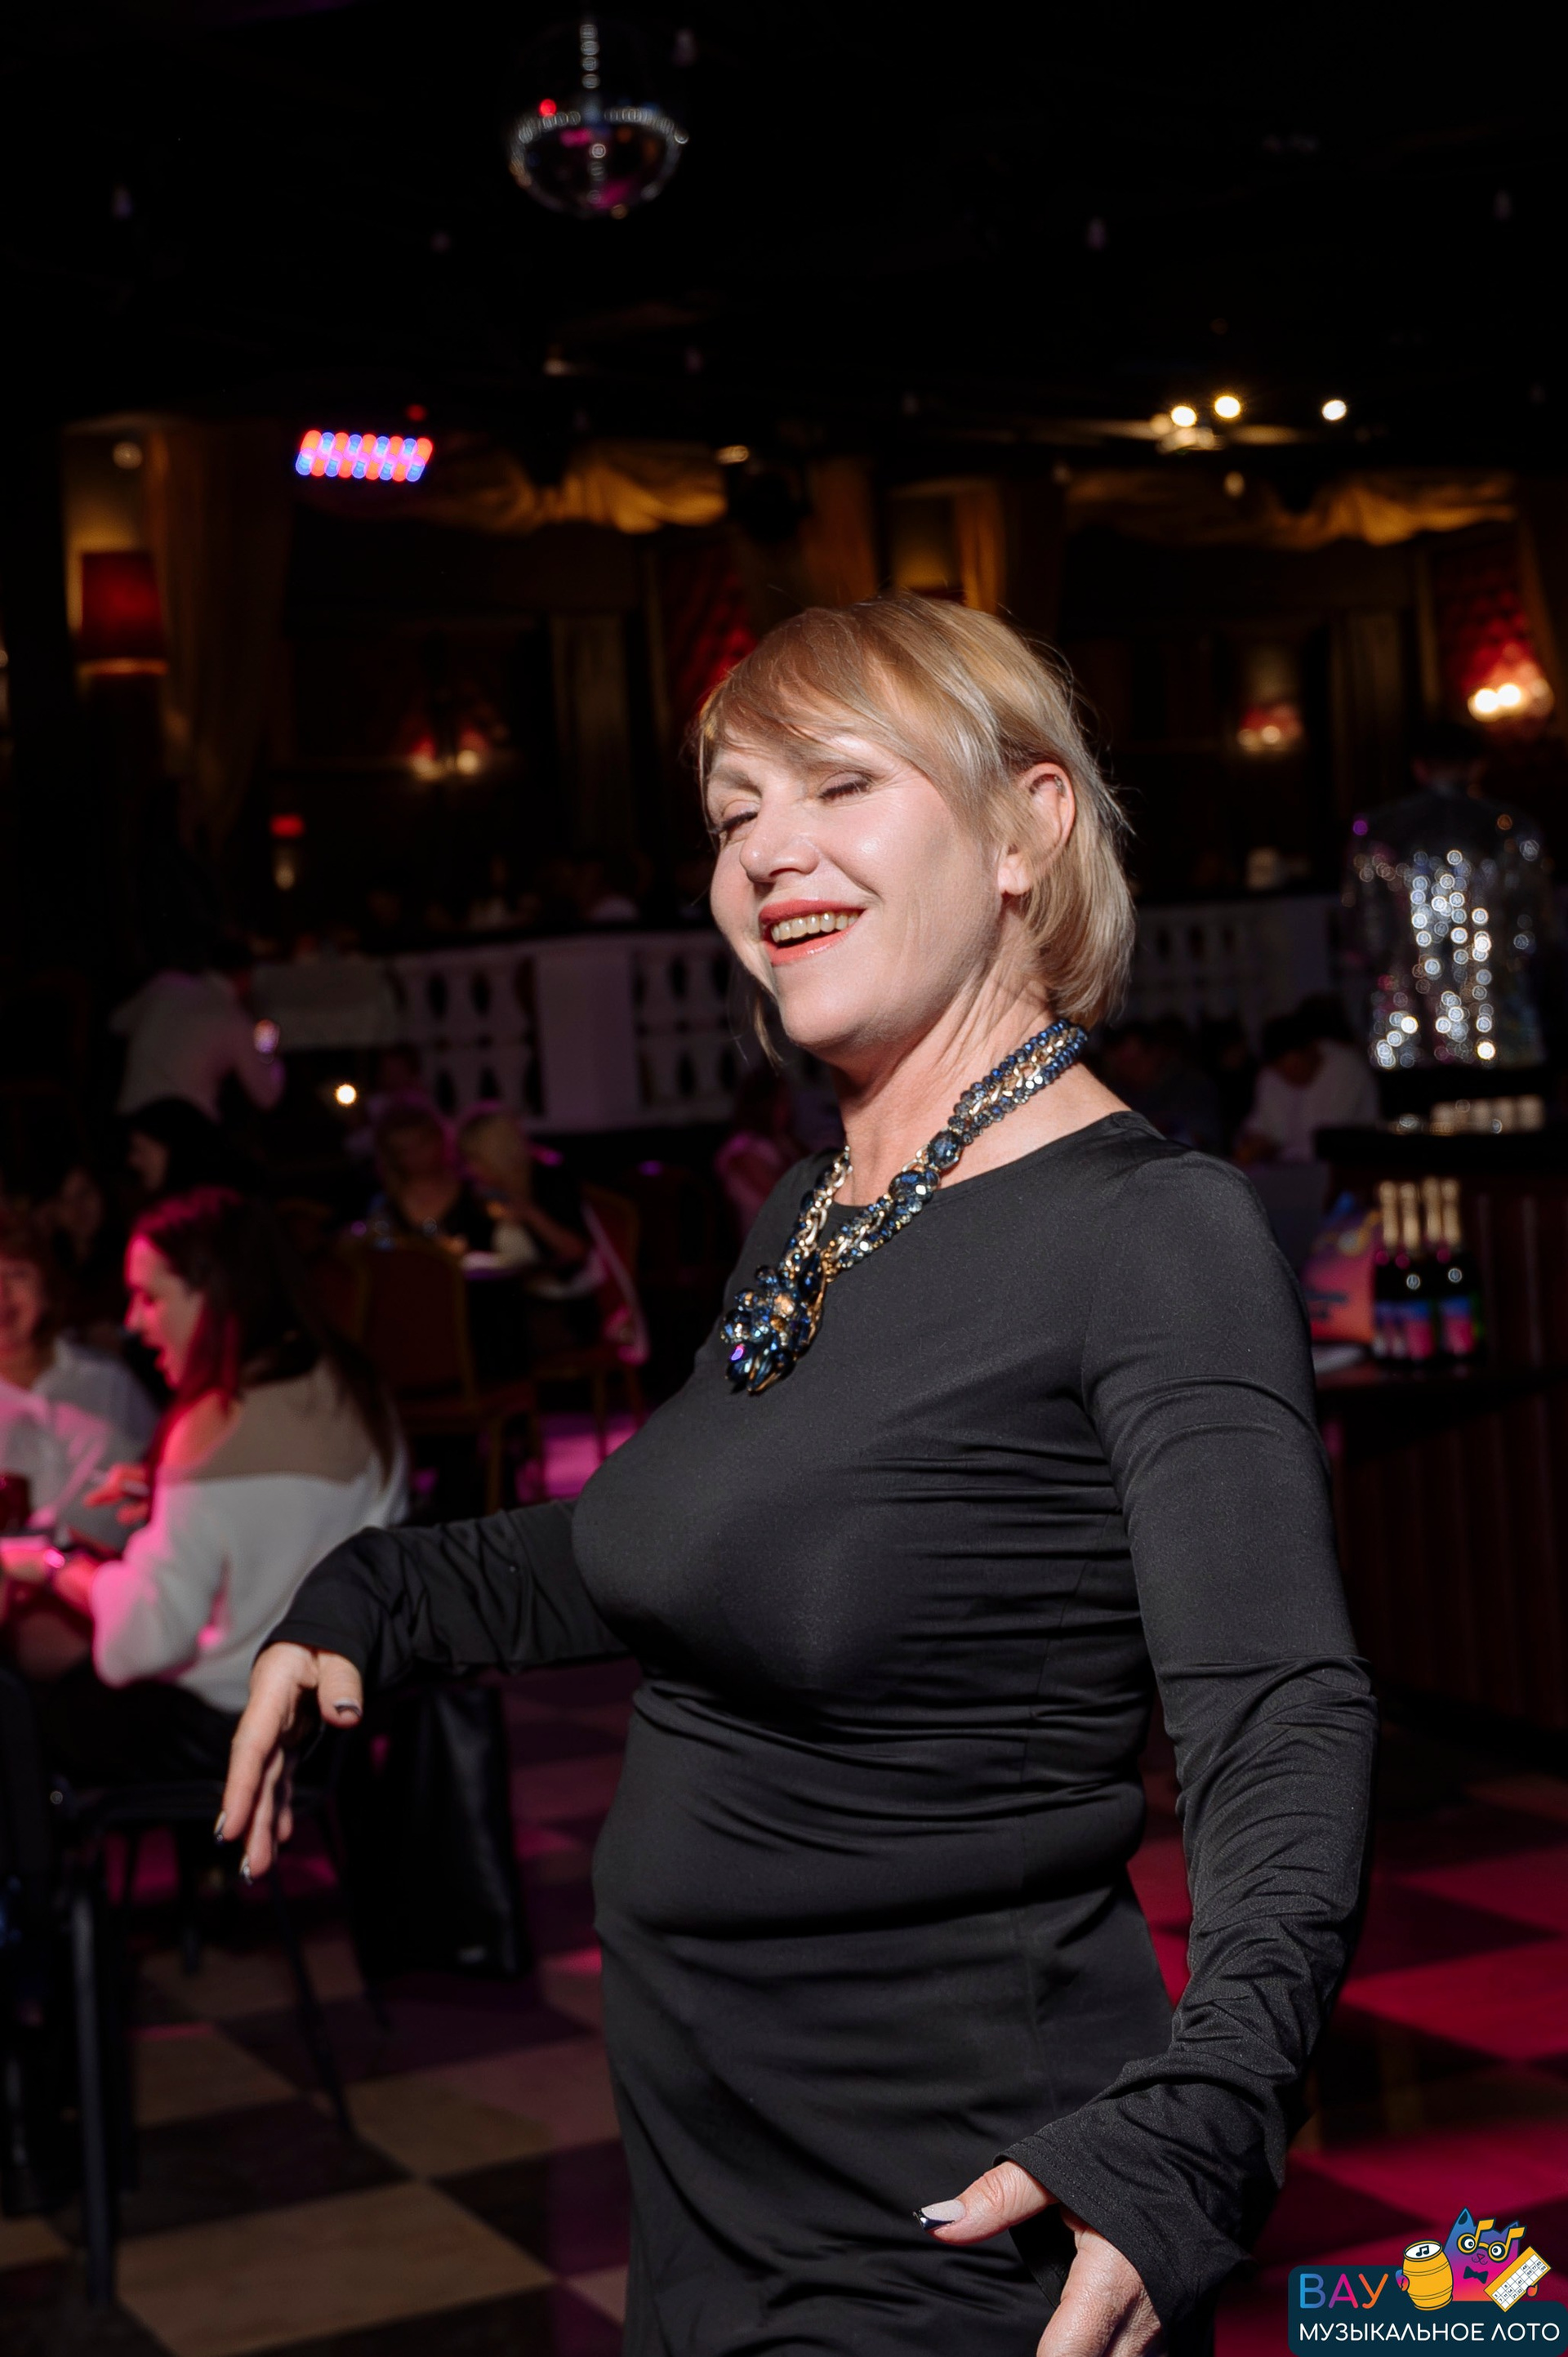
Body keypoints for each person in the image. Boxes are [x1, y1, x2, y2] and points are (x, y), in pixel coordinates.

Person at [224, 598, 1375, 2357]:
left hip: (950, 2217)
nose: (768, 852)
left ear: (1026, 828)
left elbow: (1282, 1712)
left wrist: (1202, 2124)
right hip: (711, 2196)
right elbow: (674, 1544)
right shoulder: (818, 1211)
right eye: (734, 812)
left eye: (839, 784)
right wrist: (379, 1593)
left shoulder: (1153, 1235)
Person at [4, 1188, 403, 1786]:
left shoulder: (215, 1420)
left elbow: (147, 1639)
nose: (134, 1321)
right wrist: (175, 1497)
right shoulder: (350, 1383)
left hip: (229, 1728)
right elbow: (298, 1516)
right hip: (334, 1716)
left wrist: (57, 1563)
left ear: (211, 1292)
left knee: (22, 1708)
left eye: (151, 1297)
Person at [1344, 717, 1555, 1072]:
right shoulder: (1513, 829)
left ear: (1419, 767)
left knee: (1415, 1101)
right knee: (1504, 1101)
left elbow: (1367, 934)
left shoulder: (1377, 832)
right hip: (1496, 1012)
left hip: (1408, 1012)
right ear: (1477, 766)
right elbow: (1531, 932)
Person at [0, 1219, 158, 1548]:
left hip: (118, 1573)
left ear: (46, 1289)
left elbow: (168, 1484)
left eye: (16, 1274)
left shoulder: (108, 1382)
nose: (2, 1293)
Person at [112, 938, 284, 1122]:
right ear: (245, 977)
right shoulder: (235, 1020)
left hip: (130, 1119)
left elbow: (117, 1023)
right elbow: (266, 1096)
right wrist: (268, 1051)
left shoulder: (165, 984)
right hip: (185, 1126)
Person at [1234, 1005, 1379, 1165]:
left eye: (1296, 1067)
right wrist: (1254, 1142)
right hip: (1289, 1170)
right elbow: (1263, 1126)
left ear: (1312, 1051)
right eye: (1284, 1073)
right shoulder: (1270, 1076)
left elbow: (1327, 1139)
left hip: (1349, 1165)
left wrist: (1276, 1150)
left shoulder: (1347, 1068)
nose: (1292, 1078)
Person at [363, 1094, 492, 1252]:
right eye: (404, 1151)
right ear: (392, 1157)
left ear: (439, 1138)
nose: (416, 1156)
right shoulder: (385, 1209)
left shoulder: (476, 1193)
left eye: (421, 1144)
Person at [1098, 1017, 1223, 1154]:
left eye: (1135, 1061)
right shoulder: (1116, 1093)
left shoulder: (1191, 1087)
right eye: (1122, 1064)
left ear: (1155, 1053)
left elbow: (1199, 1137)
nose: (1129, 1070)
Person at [715, 1063, 804, 1236]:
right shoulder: (742, 1150)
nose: (787, 1108)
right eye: (781, 1101)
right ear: (764, 1105)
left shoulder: (786, 1142)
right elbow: (780, 1196)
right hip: (765, 1238)